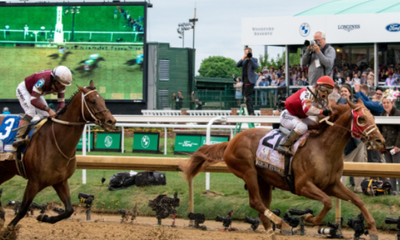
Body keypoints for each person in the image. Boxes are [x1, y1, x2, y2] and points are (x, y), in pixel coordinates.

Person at [13, 66, 72, 147]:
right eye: (62, 85)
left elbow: (61, 102)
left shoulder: (60, 83)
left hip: (36, 93)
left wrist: (60, 111)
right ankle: (18, 137)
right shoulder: (43, 80)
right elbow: (33, 101)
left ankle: (42, 138)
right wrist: (49, 109)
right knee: (31, 111)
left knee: (47, 116)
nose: (63, 88)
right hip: (25, 90)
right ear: (55, 80)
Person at [277, 76, 334, 155]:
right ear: (317, 87)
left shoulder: (324, 100)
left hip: (300, 117)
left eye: (329, 91)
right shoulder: (307, 92)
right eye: (324, 89)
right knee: (302, 127)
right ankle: (284, 145)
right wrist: (322, 112)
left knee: (316, 126)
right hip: (287, 115)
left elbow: (329, 113)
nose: (326, 93)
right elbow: (307, 109)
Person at [338, 83, 364, 193]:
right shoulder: (339, 105)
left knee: (359, 164)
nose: (343, 93)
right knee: (344, 164)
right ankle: (341, 188)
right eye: (342, 91)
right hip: (347, 141)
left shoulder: (354, 105)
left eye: (345, 91)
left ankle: (359, 187)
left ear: (349, 93)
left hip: (358, 140)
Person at [379, 89, 400, 194]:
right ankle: (393, 191)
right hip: (386, 147)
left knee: (398, 169)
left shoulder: (398, 113)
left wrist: (397, 145)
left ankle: (399, 191)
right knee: (390, 170)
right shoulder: (382, 115)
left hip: (396, 147)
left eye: (387, 102)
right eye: (384, 103)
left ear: (392, 102)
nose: (385, 104)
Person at [236, 47, 258, 115]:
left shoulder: (254, 59)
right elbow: (237, 65)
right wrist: (243, 58)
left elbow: (255, 66)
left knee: (248, 95)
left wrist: (250, 59)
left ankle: (251, 112)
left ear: (251, 52)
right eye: (245, 53)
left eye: (247, 53)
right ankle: (250, 111)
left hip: (250, 80)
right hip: (244, 80)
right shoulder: (244, 60)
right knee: (246, 96)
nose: (246, 54)